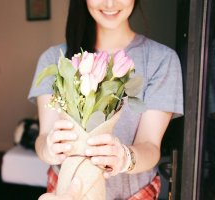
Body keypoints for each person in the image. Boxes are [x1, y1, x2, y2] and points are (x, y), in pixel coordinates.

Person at [28, 0, 184, 199]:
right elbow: (43, 139)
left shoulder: (161, 60)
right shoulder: (53, 59)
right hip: (66, 189)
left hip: (133, 194)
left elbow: (150, 146)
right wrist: (49, 149)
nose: (110, 3)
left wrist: (125, 158)